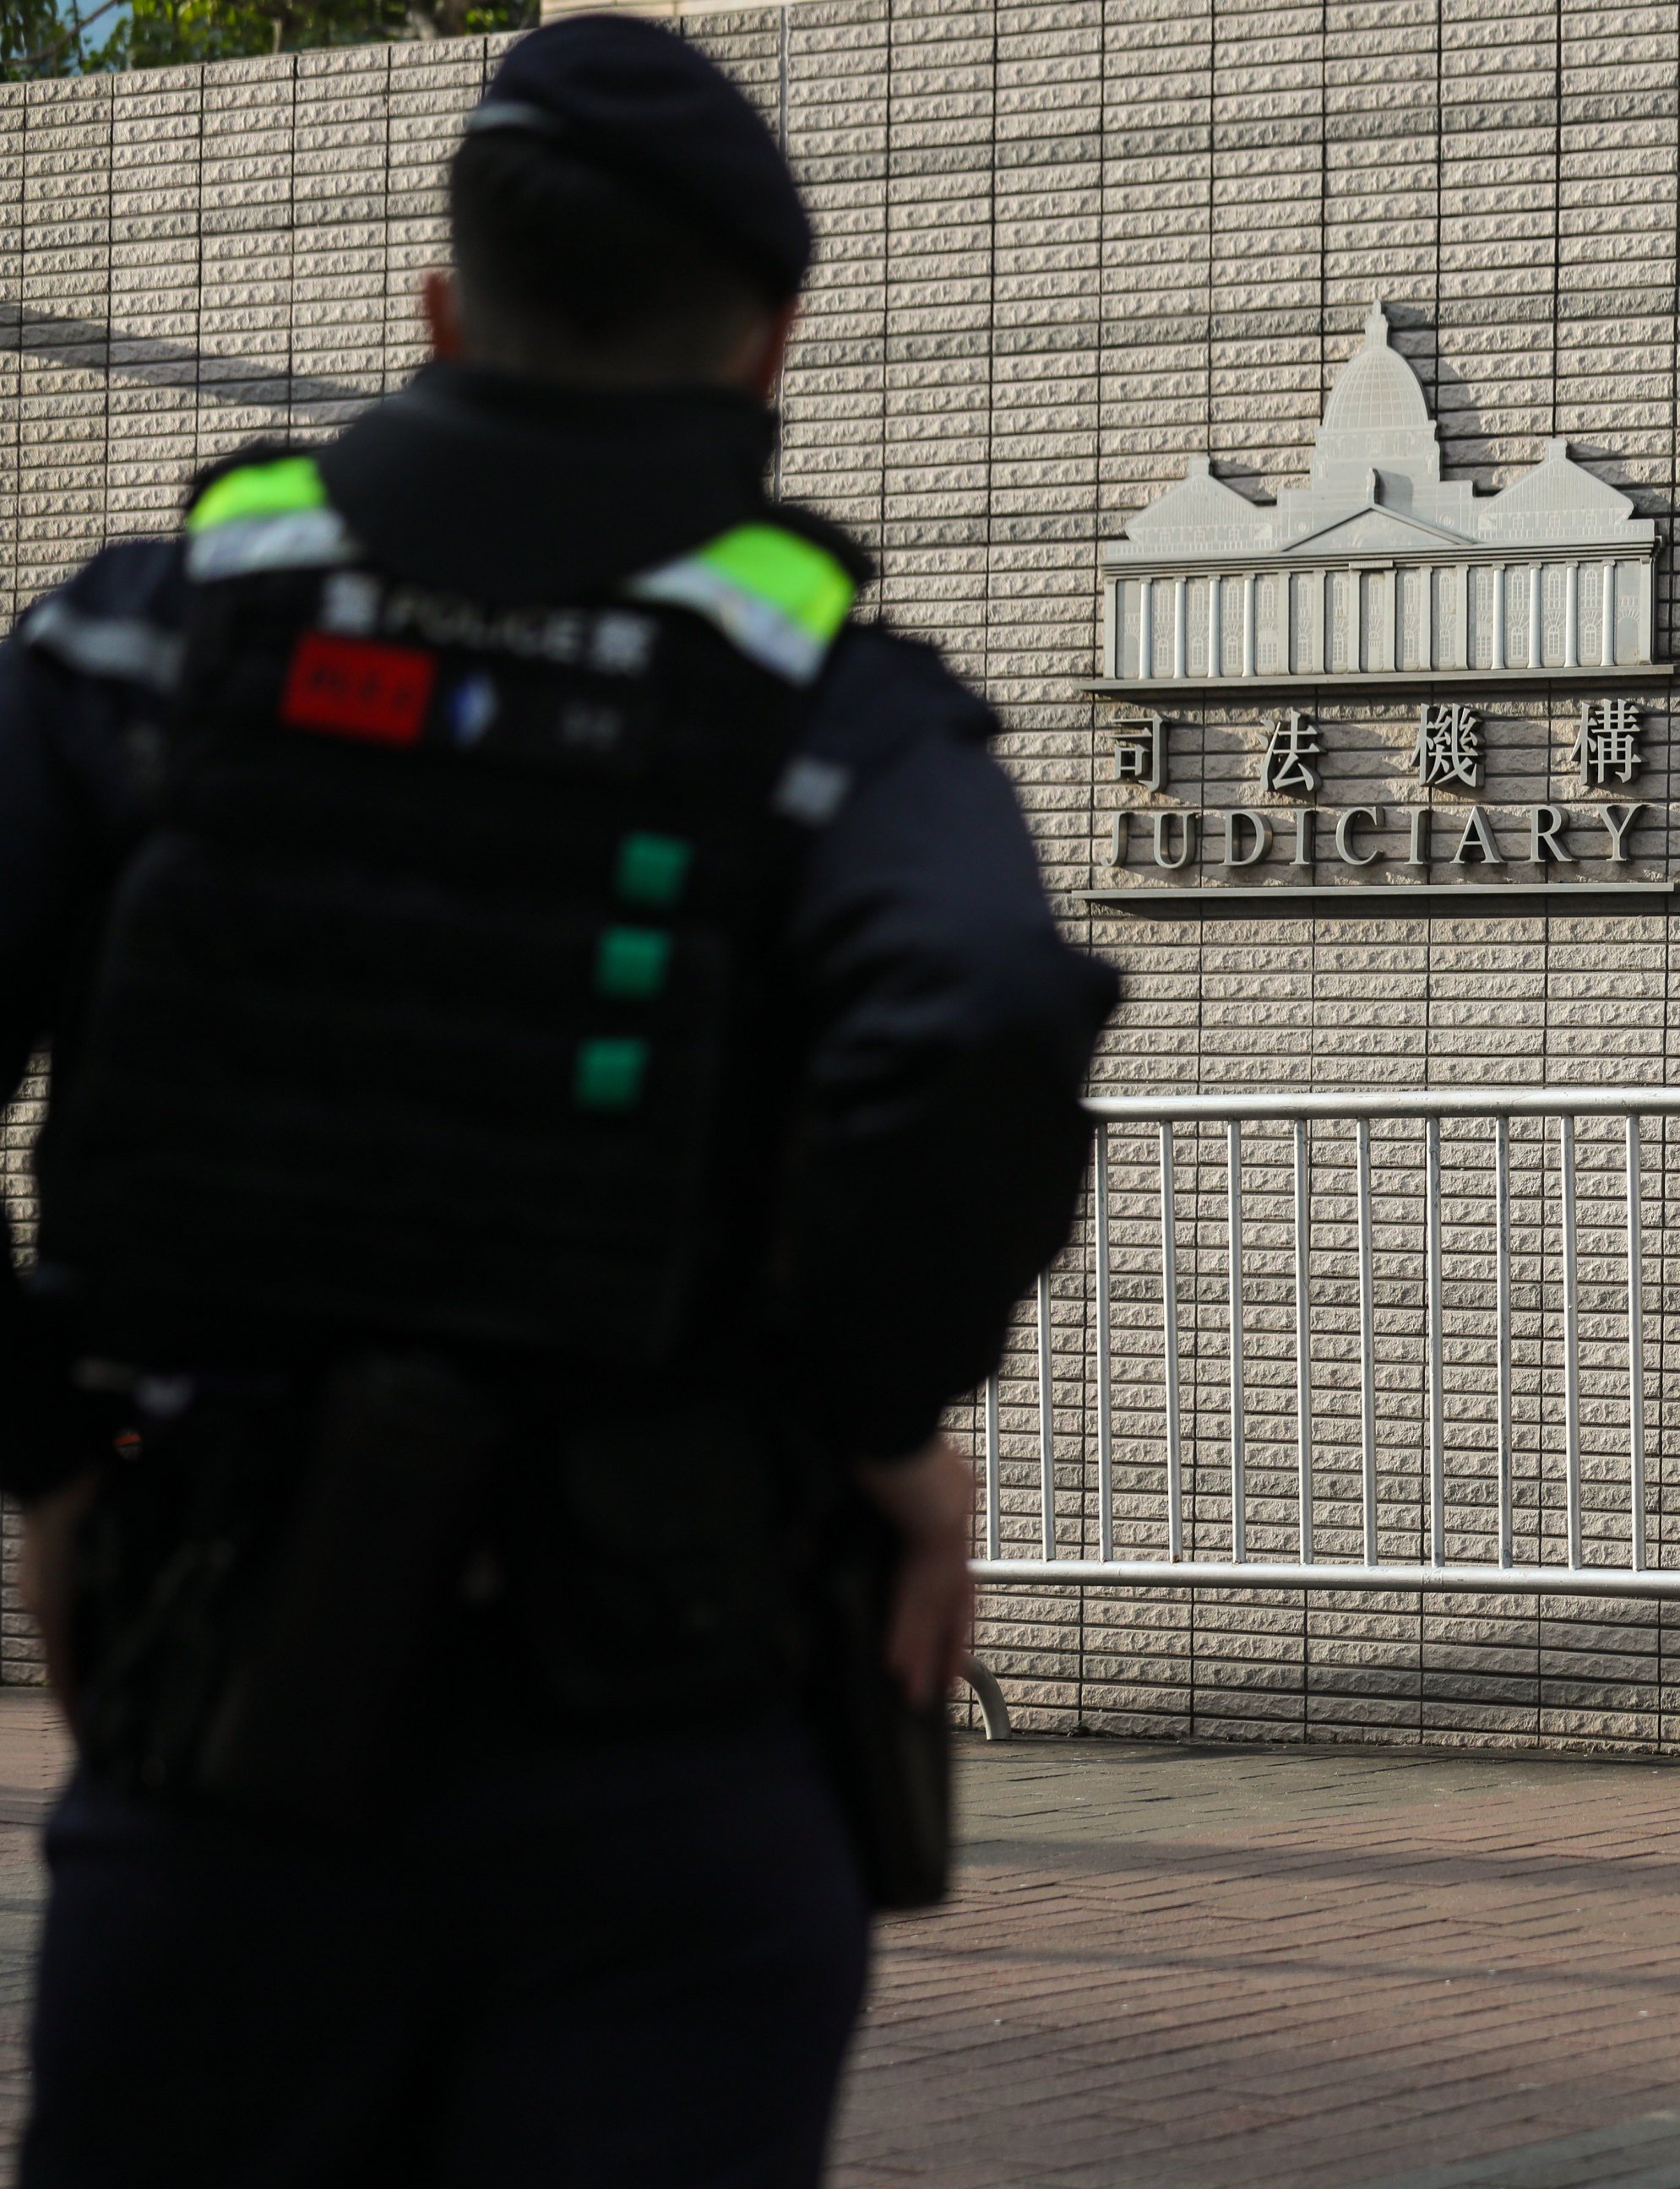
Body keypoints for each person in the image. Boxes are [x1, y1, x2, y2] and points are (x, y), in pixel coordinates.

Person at [0, 19, 1116, 2185]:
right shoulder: (835, 713)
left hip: (224, 1721)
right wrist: (890, 1425)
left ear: (441, 309)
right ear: (768, 344)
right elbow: (975, 1011)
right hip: (670, 1728)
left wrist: (47, 1456)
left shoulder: (142, 648)